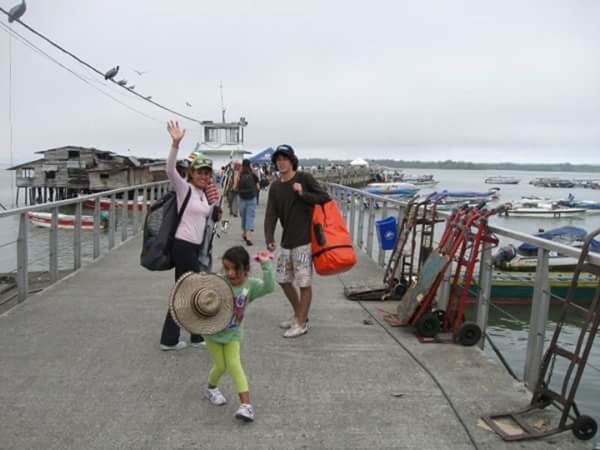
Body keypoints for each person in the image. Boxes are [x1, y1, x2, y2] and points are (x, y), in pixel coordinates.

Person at [160, 120, 217, 351]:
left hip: (194, 248)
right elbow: (169, 170)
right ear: (191, 173)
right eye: (200, 172)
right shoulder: (185, 189)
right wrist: (175, 144)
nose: (204, 176)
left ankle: (174, 338)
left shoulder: (204, 195)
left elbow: (204, 220)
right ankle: (189, 337)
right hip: (182, 247)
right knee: (192, 290)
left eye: (207, 173)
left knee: (185, 291)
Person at [264, 144, 330, 338]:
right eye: (278, 159)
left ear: (292, 160)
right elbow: (270, 214)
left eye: (284, 158)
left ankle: (301, 323)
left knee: (304, 283)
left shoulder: (304, 178)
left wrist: (303, 194)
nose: (281, 162)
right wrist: (269, 237)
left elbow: (324, 197)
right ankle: (300, 315)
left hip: (304, 241)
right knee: (283, 280)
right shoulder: (275, 186)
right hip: (286, 241)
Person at [204, 246, 274, 422]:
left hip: (233, 335)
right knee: (220, 366)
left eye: (236, 269)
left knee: (234, 365)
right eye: (227, 268)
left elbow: (269, 287)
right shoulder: (220, 283)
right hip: (212, 334)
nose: (231, 273)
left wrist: (266, 266)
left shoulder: (251, 285)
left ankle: (246, 406)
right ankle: (211, 388)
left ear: (246, 270)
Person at [235, 159, 259, 246]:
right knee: (250, 217)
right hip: (252, 198)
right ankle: (248, 237)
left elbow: (235, 186)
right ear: (250, 165)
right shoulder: (253, 175)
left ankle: (245, 234)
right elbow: (258, 187)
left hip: (242, 198)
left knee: (244, 217)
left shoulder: (239, 174)